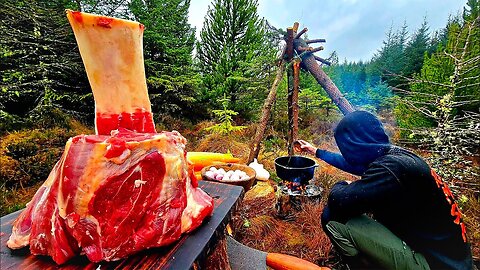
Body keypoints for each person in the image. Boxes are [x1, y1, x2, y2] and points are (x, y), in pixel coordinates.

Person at [296, 110, 473, 270]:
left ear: (352, 144)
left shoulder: (389, 169)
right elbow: (355, 164)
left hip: (433, 265)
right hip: (453, 259)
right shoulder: (396, 157)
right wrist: (316, 151)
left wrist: (342, 184)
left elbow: (339, 201)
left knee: (332, 217)